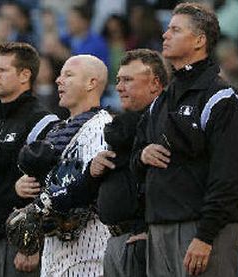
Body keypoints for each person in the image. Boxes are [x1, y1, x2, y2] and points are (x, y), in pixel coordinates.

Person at [130, 3, 238, 277]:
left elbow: (231, 175)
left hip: (203, 231)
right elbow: (134, 160)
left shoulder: (221, 99)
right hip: (160, 226)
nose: (165, 34)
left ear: (199, 40)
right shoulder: (160, 101)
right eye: (167, 28)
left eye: (175, 29)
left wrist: (206, 236)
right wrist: (142, 155)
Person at [0, 42, 58, 277]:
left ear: (25, 75)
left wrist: (30, 243)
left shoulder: (43, 122)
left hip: (16, 241)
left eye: (2, 70)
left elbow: (47, 187)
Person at [14, 54, 112, 276]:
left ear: (91, 83)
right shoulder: (58, 129)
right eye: (60, 74)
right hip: (54, 249)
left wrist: (42, 203)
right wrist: (26, 185)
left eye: (69, 75)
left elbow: (84, 188)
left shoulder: (102, 127)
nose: (59, 80)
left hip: (87, 247)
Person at [89, 49, 168, 277]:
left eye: (128, 80)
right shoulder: (123, 126)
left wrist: (145, 229)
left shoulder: (163, 123)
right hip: (114, 239)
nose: (119, 88)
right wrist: (94, 171)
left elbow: (164, 183)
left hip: (142, 239)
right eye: (118, 80)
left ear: (154, 84)